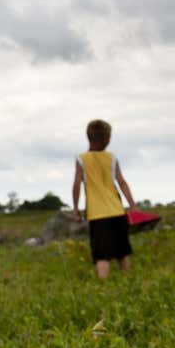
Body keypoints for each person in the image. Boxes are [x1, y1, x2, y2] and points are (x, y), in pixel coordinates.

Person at [70, 119, 140, 279]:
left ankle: (103, 284)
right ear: (107, 139)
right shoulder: (112, 157)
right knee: (122, 251)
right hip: (117, 211)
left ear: (88, 137)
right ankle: (128, 278)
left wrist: (75, 208)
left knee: (102, 254)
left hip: (97, 214)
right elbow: (122, 182)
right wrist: (132, 204)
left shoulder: (81, 159)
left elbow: (76, 185)